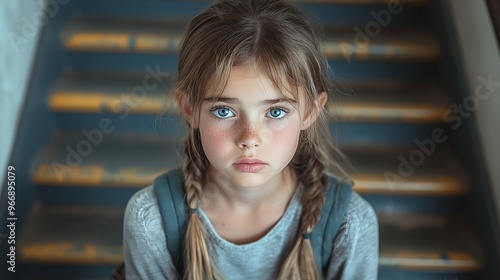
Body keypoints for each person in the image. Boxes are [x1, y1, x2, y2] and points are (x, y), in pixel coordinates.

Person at [123, 0, 378, 279]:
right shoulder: (151, 220)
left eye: (276, 111)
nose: (250, 139)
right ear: (189, 109)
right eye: (224, 111)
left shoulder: (348, 224)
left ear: (310, 112)